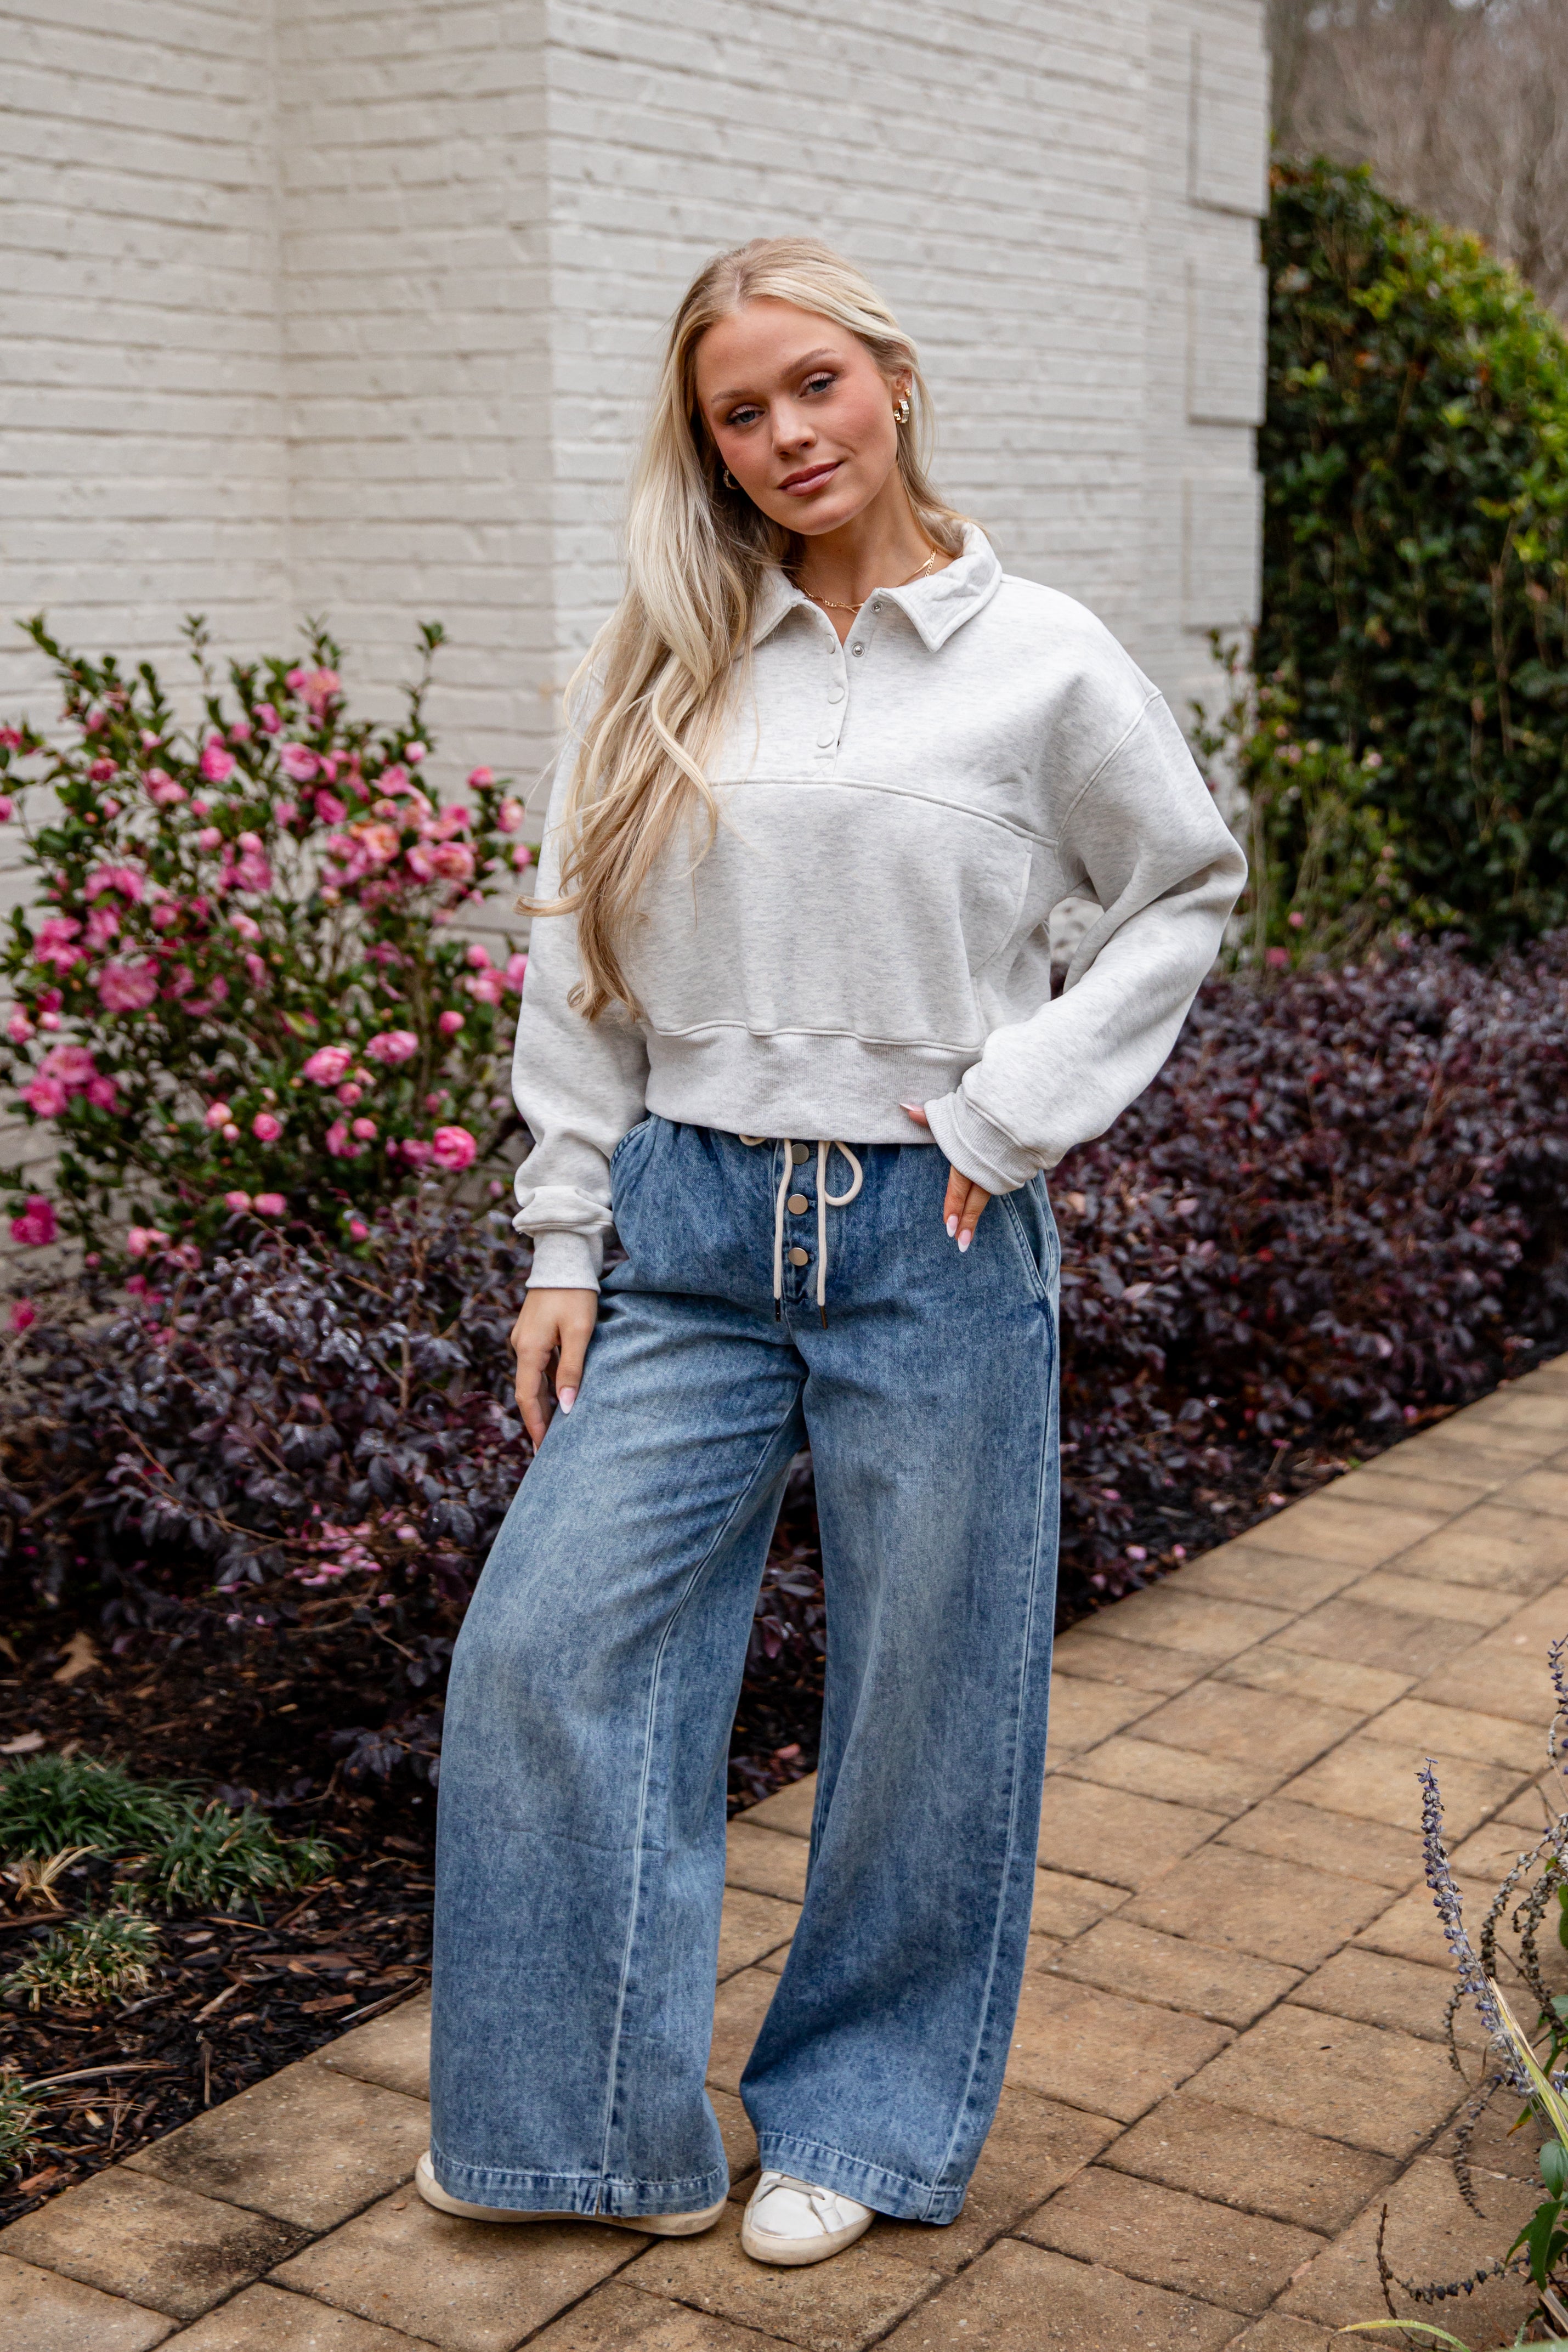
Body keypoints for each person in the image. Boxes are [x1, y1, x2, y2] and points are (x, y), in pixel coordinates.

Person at [420, 236, 1246, 2266]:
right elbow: (578, 959)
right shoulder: (666, 656)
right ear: (705, 444)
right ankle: (580, 2136)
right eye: (738, 411)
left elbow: (1178, 890)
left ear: (891, 377)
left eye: (814, 384)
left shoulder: (1040, 656)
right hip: (690, 1234)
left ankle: (863, 2121)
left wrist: (1008, 1110)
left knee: (925, 1707)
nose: (786, 433)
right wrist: (560, 1236)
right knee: (544, 1653)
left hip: (930, 1230)